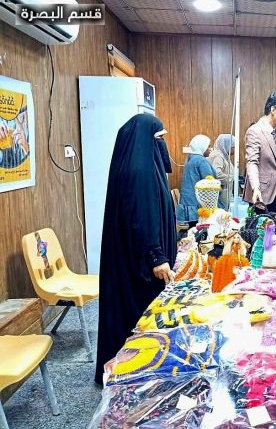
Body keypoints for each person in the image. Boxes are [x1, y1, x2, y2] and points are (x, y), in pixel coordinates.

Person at [95, 114, 177, 385]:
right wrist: (156, 255)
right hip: (140, 265)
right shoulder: (140, 173)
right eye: (159, 138)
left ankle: (129, 370)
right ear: (145, 140)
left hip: (131, 259)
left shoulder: (136, 166)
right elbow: (142, 217)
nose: (163, 144)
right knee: (139, 316)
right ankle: (133, 373)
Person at [244, 90, 276, 226]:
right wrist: (256, 188)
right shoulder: (255, 131)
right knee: (262, 236)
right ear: (273, 110)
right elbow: (252, 162)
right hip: (262, 194)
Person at [176, 134, 216, 226]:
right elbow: (210, 182)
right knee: (200, 229)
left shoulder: (190, 158)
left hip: (188, 201)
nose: (210, 149)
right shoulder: (201, 161)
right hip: (197, 203)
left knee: (193, 229)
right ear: (202, 146)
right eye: (208, 146)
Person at [208, 133, 235, 209]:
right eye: (233, 147)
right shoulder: (218, 156)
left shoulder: (223, 156)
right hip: (219, 195)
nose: (234, 150)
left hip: (223, 193)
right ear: (227, 146)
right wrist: (231, 178)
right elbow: (217, 174)